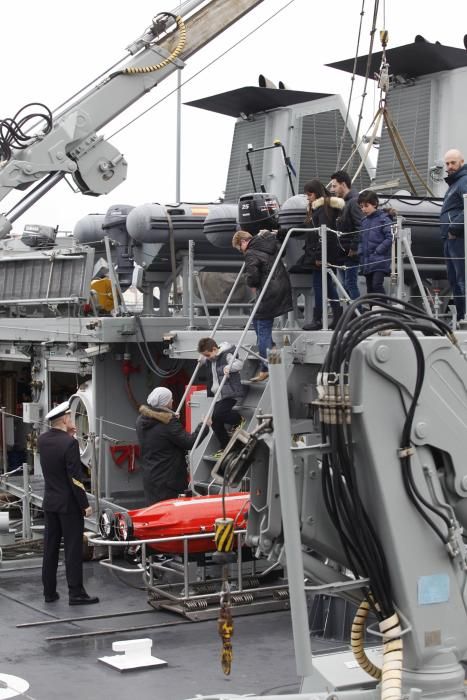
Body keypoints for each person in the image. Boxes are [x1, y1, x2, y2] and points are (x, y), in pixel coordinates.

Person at [38, 401, 99, 606]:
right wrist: (85, 504)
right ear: (65, 419)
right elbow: (75, 478)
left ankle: (49, 592)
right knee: (72, 550)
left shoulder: (42, 440)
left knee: (50, 548)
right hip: (69, 505)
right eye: (70, 417)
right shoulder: (70, 443)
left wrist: (68, 433)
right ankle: (76, 593)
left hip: (50, 503)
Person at [232, 229, 293, 382]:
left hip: (268, 289)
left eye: (240, 248)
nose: (241, 251)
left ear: (243, 242)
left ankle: (267, 366)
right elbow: (282, 251)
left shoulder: (251, 252)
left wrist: (251, 283)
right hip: (281, 285)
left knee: (263, 325)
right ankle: (271, 352)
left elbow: (253, 273)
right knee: (257, 320)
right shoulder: (269, 243)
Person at [136, 387, 209, 505]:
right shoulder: (169, 423)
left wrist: (171, 417)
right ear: (165, 403)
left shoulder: (141, 420)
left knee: (155, 511)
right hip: (169, 480)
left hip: (151, 477)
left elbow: (160, 433)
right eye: (170, 399)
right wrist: (204, 426)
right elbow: (189, 442)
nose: (173, 401)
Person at [300, 179, 345, 330]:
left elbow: (325, 235)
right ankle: (337, 315)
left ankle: (318, 319)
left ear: (317, 193)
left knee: (319, 286)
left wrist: (319, 256)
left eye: (310, 194)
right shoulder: (320, 209)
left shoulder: (323, 210)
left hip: (321, 255)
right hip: (320, 254)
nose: (308, 197)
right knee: (327, 286)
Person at [198, 338, 244, 450]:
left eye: (208, 355)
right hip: (218, 394)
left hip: (229, 392)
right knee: (214, 422)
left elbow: (239, 364)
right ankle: (226, 446)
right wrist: (202, 359)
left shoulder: (226, 355)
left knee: (219, 415)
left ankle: (238, 419)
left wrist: (228, 367)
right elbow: (209, 361)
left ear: (214, 349)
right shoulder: (211, 358)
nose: (207, 358)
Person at [440, 148, 467, 321]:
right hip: (450, 239)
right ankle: (460, 317)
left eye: (453, 163)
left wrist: (453, 228)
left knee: (461, 279)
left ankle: (464, 317)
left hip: (458, 238)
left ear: (462, 163)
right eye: (447, 163)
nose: (449, 167)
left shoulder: (464, 180)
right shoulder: (455, 184)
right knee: (454, 280)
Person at [330, 170, 363, 301]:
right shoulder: (344, 203)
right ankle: (353, 316)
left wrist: (354, 247)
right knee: (345, 286)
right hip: (343, 253)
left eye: (334, 185)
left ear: (343, 185)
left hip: (350, 253)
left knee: (350, 285)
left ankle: (357, 315)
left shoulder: (353, 202)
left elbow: (361, 226)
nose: (332, 189)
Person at [357, 190, 394, 296]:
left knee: (376, 285)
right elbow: (361, 239)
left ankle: (382, 307)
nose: (363, 209)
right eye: (361, 206)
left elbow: (390, 237)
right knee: (370, 288)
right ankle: (374, 310)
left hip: (380, 260)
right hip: (367, 261)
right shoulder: (364, 221)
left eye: (366, 206)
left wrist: (378, 250)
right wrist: (360, 252)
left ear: (375, 204)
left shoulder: (384, 219)